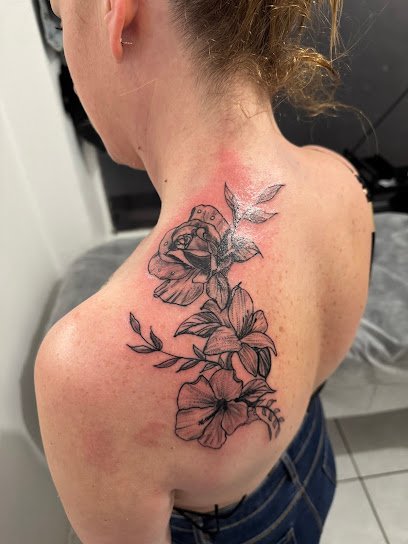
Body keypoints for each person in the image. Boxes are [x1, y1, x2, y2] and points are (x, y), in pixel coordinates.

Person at [34, 1, 375, 543]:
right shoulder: (344, 183)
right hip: (314, 459)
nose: (68, 56)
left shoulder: (84, 371)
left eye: (61, 17)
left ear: (117, 13)